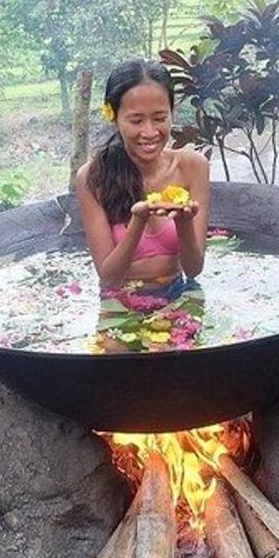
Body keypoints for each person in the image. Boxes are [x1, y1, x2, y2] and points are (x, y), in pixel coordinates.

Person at [75, 58, 211, 351]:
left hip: (178, 291)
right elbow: (109, 276)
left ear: (172, 114)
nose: (149, 132)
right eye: (136, 120)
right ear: (114, 117)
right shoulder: (93, 177)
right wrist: (137, 221)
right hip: (119, 297)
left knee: (190, 359)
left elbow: (194, 268)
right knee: (115, 358)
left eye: (160, 118)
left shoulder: (193, 167)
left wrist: (184, 221)